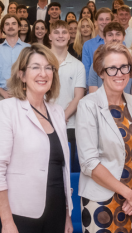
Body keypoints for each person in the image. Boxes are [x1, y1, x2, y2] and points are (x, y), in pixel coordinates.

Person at [0, 44, 74, 233]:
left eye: (48, 67)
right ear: (22, 75)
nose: (43, 73)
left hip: (56, 213)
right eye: (35, 67)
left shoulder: (57, 112)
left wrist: (67, 214)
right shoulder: (6, 109)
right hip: (18, 215)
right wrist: (7, 222)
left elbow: (62, 170)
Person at [76, 44, 132, 233]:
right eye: (112, 68)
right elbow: (89, 163)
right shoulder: (88, 105)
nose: (119, 73)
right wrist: (128, 194)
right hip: (101, 200)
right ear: (101, 73)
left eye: (124, 67)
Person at [47, 20, 86, 172]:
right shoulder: (39, 61)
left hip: (68, 124)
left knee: (65, 172)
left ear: (70, 36)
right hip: (41, 122)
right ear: (50, 36)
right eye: (56, 32)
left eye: (64, 32)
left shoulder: (78, 65)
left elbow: (78, 96)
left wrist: (61, 117)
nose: (60, 36)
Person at [86, 22, 132, 98]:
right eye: (110, 35)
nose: (114, 38)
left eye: (118, 34)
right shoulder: (95, 65)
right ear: (104, 39)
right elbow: (93, 96)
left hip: (127, 108)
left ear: (123, 37)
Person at [0, 14, 30, 101]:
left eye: (13, 24)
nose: (10, 26)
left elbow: (32, 73)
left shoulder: (28, 48)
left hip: (25, 95)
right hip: (2, 96)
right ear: (3, 29)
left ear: (19, 27)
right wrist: (3, 93)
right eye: (7, 24)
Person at [81, 8, 116, 78]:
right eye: (101, 19)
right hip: (94, 87)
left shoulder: (120, 43)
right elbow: (86, 72)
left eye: (107, 19)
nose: (104, 22)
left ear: (112, 21)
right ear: (95, 22)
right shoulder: (88, 45)